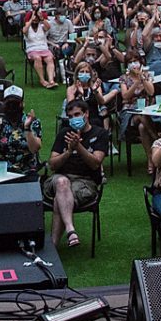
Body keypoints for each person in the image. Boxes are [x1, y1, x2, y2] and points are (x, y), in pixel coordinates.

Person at [45, 99, 107, 249]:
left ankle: (53, 247)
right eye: (70, 116)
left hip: (85, 182)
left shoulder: (100, 134)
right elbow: (52, 165)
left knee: (59, 199)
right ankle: (71, 230)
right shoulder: (64, 134)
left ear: (86, 114)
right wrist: (68, 152)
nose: (74, 119)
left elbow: (95, 163)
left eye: (77, 114)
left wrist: (78, 147)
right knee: (62, 183)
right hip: (58, 178)